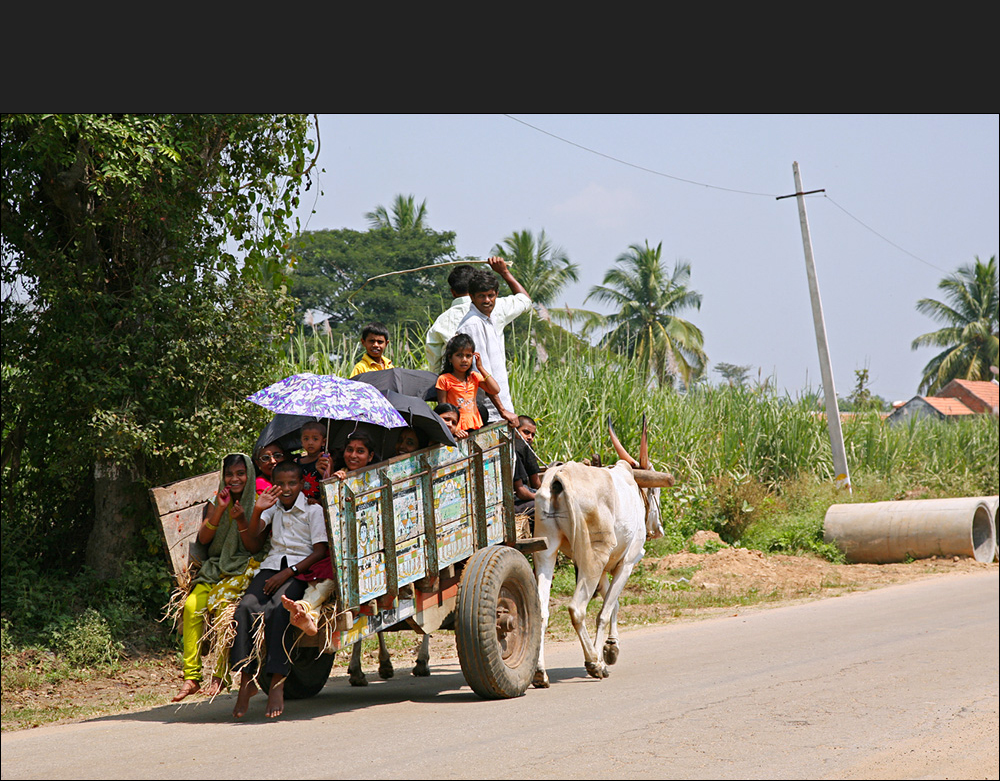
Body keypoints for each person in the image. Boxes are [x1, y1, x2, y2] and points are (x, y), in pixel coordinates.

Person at [231, 461, 328, 719]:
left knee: (278, 610)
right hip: (272, 566)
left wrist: (289, 572)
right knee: (245, 608)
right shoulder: (271, 507)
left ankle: (277, 680)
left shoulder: (312, 510)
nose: (286, 489)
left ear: (301, 485)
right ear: (274, 484)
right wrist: (256, 511)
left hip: (299, 570)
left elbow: (319, 550)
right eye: (281, 484)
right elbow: (252, 542)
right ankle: (246, 680)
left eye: (292, 483)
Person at [172, 453, 268, 702]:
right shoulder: (216, 502)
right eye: (229, 474)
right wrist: (221, 510)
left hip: (244, 567)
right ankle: (191, 677)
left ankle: (220, 675)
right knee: (192, 606)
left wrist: (241, 519)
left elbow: (254, 547)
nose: (234, 479)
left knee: (225, 612)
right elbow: (204, 540)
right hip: (215, 568)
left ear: (249, 474)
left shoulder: (259, 502)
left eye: (240, 474)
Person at [281, 430, 378, 638]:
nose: (353, 455)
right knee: (320, 576)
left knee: (332, 577)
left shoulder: (376, 477)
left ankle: (306, 608)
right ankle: (309, 616)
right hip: (337, 544)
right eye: (350, 450)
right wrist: (328, 480)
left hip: (363, 547)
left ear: (370, 456)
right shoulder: (336, 473)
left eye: (360, 452)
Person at [455, 257, 531, 426]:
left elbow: (525, 300)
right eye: (481, 296)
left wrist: (504, 272)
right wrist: (502, 411)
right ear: (472, 297)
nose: (487, 300)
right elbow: (479, 374)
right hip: (487, 411)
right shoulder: (473, 324)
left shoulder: (492, 316)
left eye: (491, 295)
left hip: (500, 409)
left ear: (497, 295)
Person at [435, 333, 502, 435]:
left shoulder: (474, 376)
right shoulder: (444, 379)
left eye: (468, 356)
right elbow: (442, 408)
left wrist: (480, 368)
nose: (464, 360)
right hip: (457, 429)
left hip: (476, 426)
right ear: (450, 358)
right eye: (459, 355)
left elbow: (495, 390)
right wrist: (454, 429)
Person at [425, 264, 476, 373]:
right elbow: (522, 300)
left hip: (453, 384)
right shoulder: (492, 312)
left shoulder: (441, 321)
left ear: (452, 292)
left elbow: (434, 361)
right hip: (489, 383)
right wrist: (504, 272)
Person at [295, 421, 331, 502]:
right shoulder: (298, 462)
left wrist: (319, 501)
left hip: (320, 504)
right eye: (306, 439)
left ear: (323, 442)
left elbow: (330, 483)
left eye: (315, 439)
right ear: (301, 442)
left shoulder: (325, 460)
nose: (310, 443)